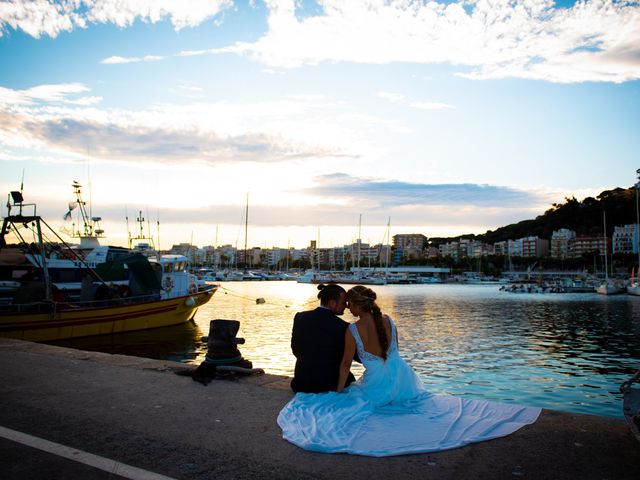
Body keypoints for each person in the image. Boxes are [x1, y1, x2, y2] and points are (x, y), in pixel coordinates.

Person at [278, 285, 541, 457]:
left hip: (364, 383)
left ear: (357, 306)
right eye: (344, 304)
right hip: (402, 377)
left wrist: (337, 392)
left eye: (350, 305)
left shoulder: (348, 328)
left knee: (352, 401)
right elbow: (392, 354)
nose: (347, 308)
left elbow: (343, 363)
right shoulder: (388, 321)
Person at [290, 283, 356, 393]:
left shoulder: (300, 317)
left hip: (301, 383)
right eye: (343, 303)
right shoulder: (343, 327)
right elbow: (353, 357)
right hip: (329, 384)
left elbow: (295, 349)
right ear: (332, 303)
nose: (346, 306)